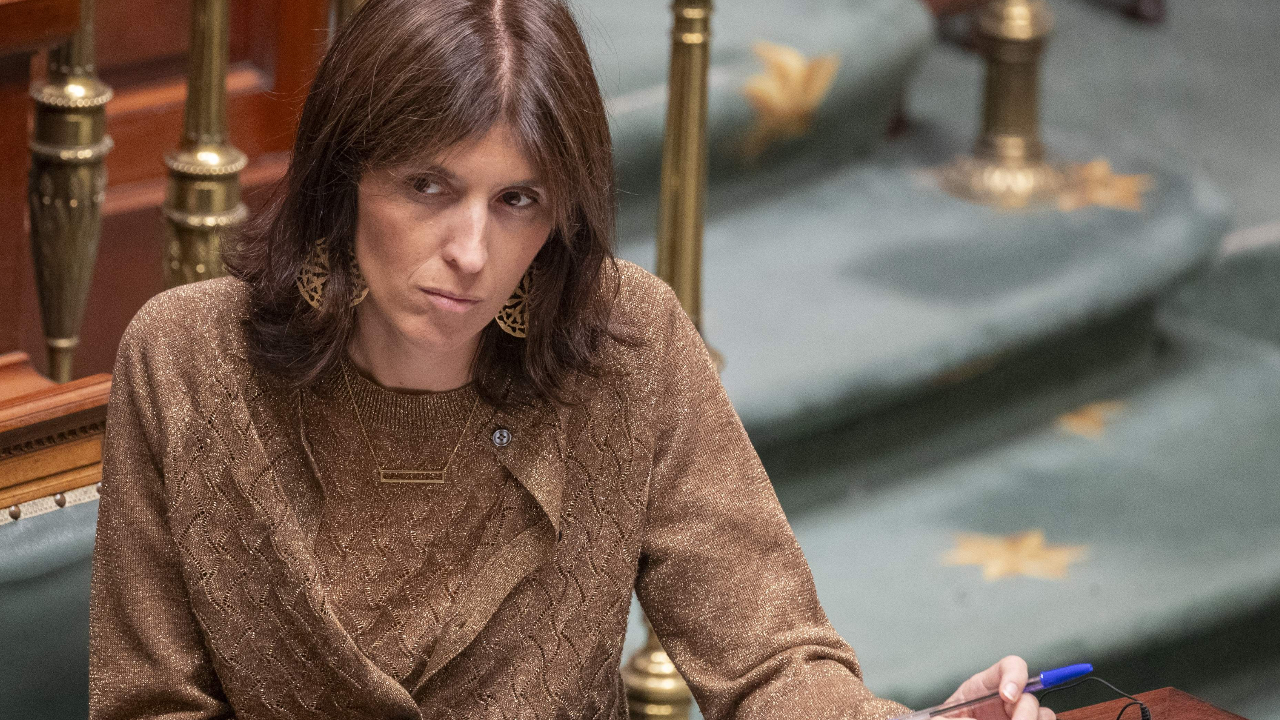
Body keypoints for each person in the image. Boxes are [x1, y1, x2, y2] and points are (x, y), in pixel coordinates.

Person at [88, 0, 1061, 718]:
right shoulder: (185, 360)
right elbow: (149, 705)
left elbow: (769, 658)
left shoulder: (626, 345)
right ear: (343, 180)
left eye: (516, 200)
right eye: (428, 187)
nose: (471, 252)